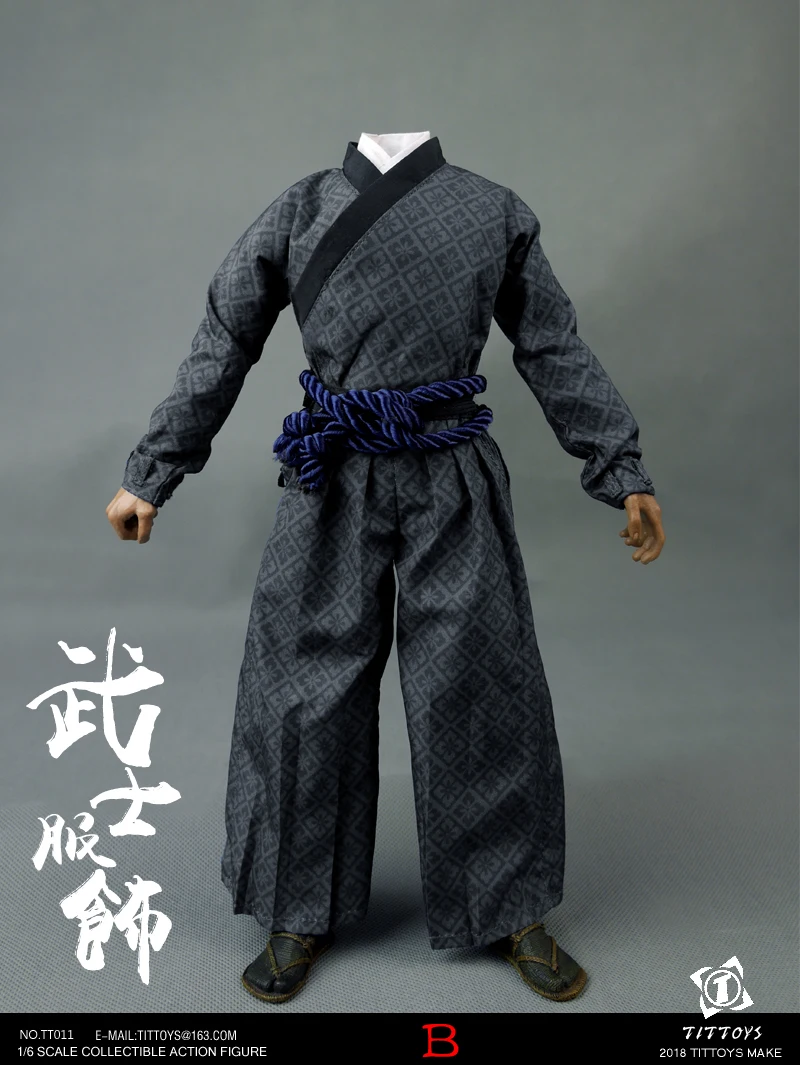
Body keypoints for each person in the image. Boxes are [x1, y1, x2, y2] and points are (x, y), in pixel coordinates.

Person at [106, 131, 666, 1005]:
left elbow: (551, 343)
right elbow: (227, 332)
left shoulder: (494, 212)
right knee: (301, 687)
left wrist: (619, 465)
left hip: (450, 466)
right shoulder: (302, 209)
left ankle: (507, 902)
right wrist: (153, 469)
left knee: (481, 678)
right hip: (331, 471)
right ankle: (296, 904)